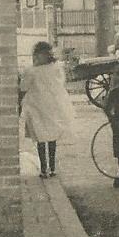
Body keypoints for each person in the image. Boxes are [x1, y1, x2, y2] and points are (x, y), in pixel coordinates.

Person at [19, 41, 75, 179]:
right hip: (53, 105)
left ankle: (44, 169)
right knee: (51, 137)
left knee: (40, 137)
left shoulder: (31, 71)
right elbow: (61, 82)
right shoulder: (56, 68)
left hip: (37, 106)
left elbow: (23, 87)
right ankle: (52, 168)